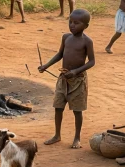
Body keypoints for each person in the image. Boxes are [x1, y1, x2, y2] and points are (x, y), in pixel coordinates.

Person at [39, 9, 96, 148]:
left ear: (86, 26)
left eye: (76, 23)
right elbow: (60, 54)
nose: (72, 25)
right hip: (63, 78)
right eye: (70, 22)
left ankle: (77, 138)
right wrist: (46, 65)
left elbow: (91, 61)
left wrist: (76, 71)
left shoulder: (87, 41)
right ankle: (57, 135)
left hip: (78, 81)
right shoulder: (66, 37)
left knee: (77, 110)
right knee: (58, 107)